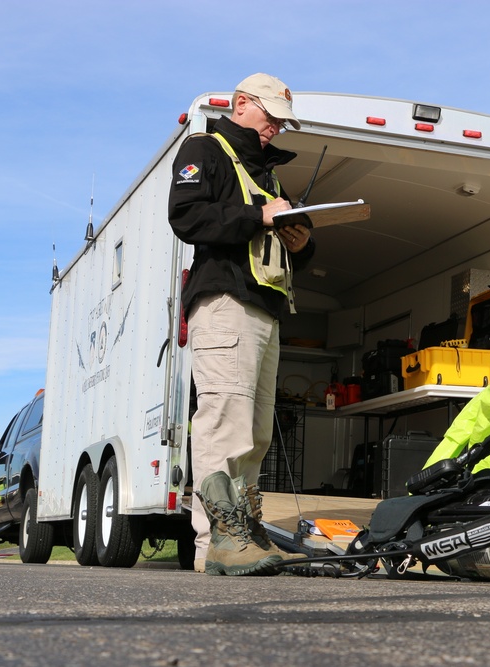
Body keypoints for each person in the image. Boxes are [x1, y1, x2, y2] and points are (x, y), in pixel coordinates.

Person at [168, 73, 315, 575]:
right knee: (223, 423)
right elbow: (186, 217)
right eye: (270, 114)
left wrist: (301, 238)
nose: (276, 125)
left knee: (254, 434)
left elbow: (275, 229)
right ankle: (216, 543)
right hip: (225, 302)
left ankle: (246, 537)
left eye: (282, 119)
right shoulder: (205, 149)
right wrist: (261, 217)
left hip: (265, 310)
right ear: (241, 103)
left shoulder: (269, 174)